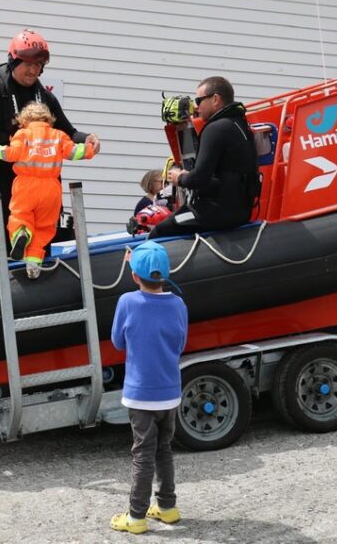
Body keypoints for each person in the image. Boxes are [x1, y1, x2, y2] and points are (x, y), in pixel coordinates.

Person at [0, 29, 101, 253]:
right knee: (1, 240)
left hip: (39, 186)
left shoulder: (46, 98)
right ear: (13, 61)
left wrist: (87, 138)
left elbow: (68, 132)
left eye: (38, 65)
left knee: (43, 240)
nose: (33, 70)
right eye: (28, 64)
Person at [110, 240, 188, 534]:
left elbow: (118, 342)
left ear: (134, 276)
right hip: (170, 393)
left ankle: (136, 516)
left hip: (140, 394)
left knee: (142, 455)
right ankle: (167, 508)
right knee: (164, 450)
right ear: (166, 275)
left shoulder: (127, 302)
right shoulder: (178, 304)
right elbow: (179, 345)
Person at [0, 102, 95, 278]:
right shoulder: (58, 135)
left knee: (20, 217)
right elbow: (74, 152)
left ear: (23, 121)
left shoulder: (22, 134)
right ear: (49, 120)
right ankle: (33, 264)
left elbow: (10, 154)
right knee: (44, 228)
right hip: (51, 188)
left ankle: (21, 233)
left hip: (26, 186)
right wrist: (90, 149)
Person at [150, 76, 259, 239]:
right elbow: (225, 177)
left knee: (159, 232)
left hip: (217, 212)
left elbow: (198, 179)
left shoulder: (215, 129)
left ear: (215, 99)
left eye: (199, 100)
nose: (196, 106)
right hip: (242, 211)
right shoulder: (240, 125)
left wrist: (180, 178)